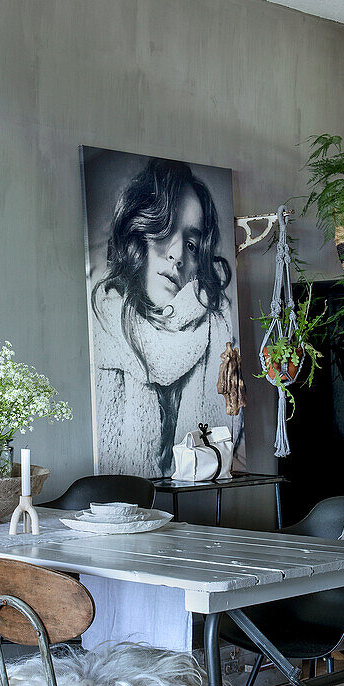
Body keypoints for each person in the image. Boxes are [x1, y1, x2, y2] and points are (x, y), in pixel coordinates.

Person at [91, 157, 237, 476]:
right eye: (165, 229)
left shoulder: (219, 330)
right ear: (140, 232)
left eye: (192, 243)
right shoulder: (104, 324)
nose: (177, 255)